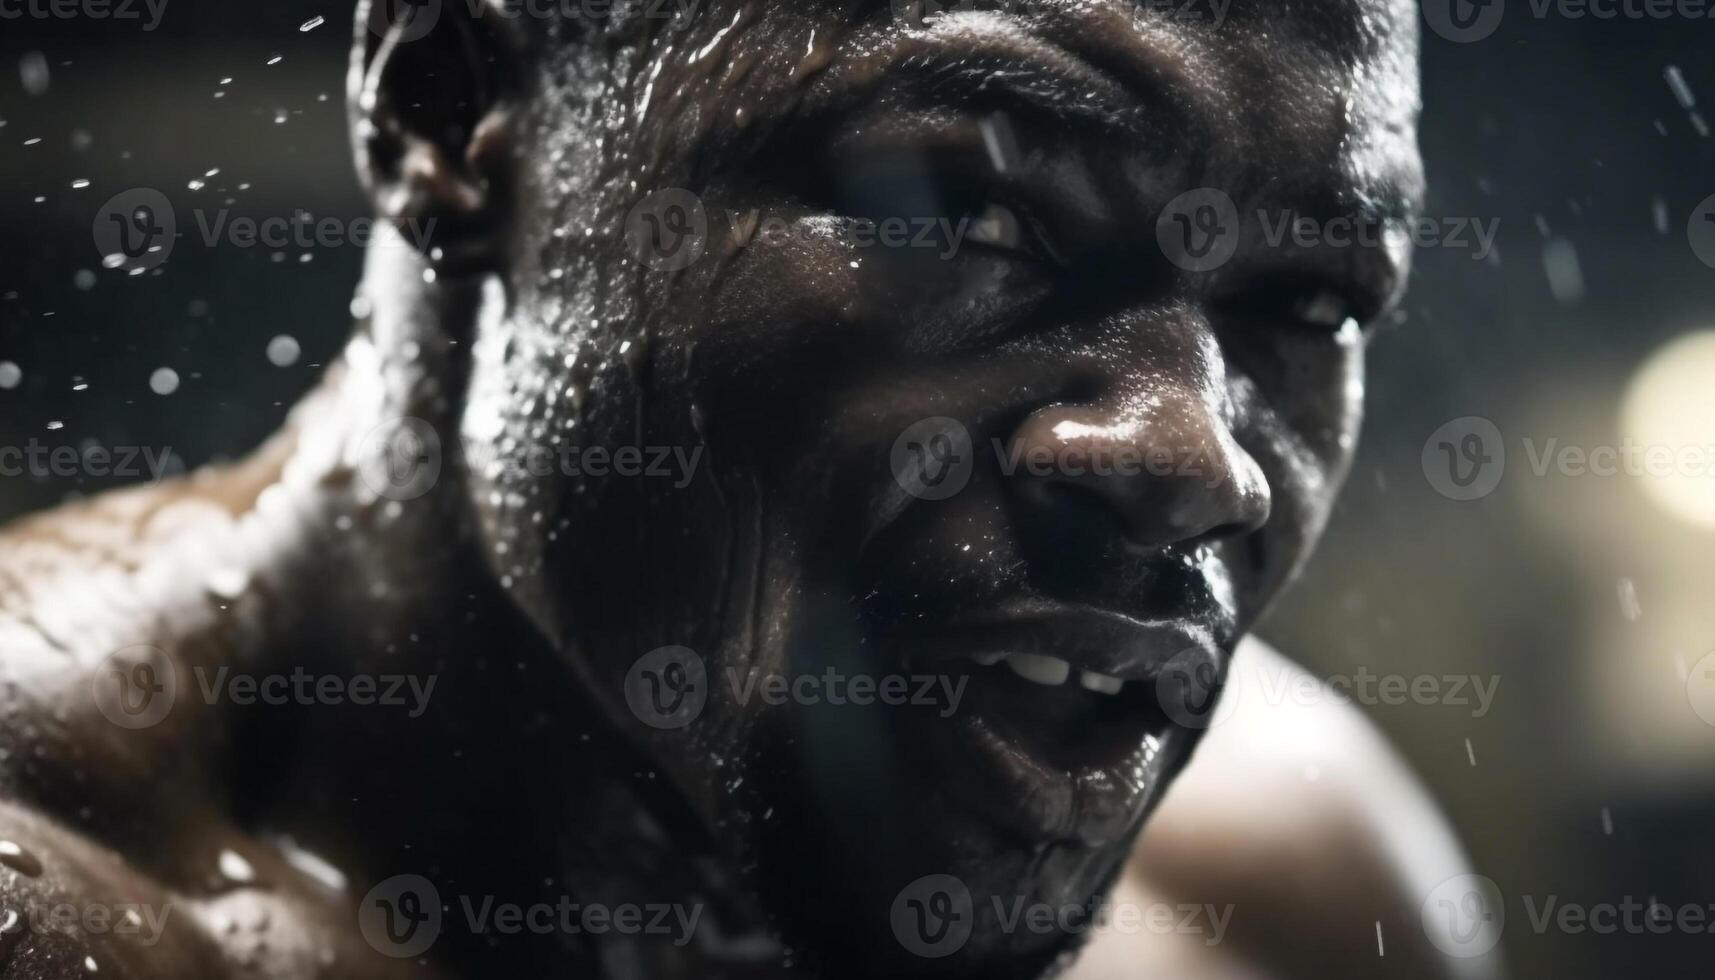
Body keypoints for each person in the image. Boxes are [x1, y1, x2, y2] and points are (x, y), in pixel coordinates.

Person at [0, 1, 1498, 977]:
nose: (1194, 462)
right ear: (453, 117)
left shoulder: (1291, 890)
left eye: (1308, 302)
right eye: (977, 212)